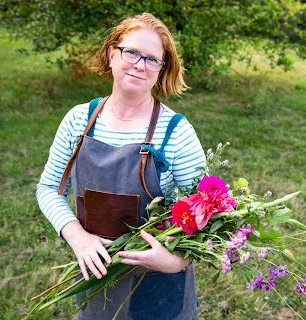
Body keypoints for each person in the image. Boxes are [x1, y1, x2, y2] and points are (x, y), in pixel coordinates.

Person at [36, 12, 206, 320]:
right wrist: (78, 236)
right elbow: (49, 188)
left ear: (160, 69)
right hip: (96, 268)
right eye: (131, 52)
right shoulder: (79, 120)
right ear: (111, 53)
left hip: (157, 281)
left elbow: (204, 212)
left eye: (153, 59)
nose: (140, 65)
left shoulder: (176, 132)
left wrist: (173, 262)